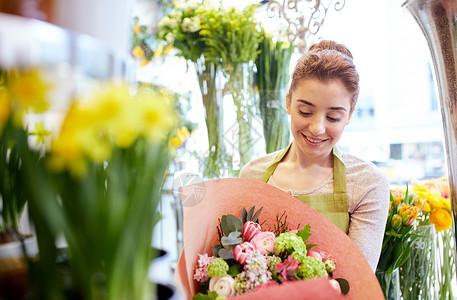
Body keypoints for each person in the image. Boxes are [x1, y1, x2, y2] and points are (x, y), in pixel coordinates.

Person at [239, 40, 390, 272]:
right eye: (305, 111)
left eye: (333, 117)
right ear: (288, 101)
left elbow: (358, 281)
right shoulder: (252, 174)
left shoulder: (366, 183)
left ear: (349, 114)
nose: (317, 128)